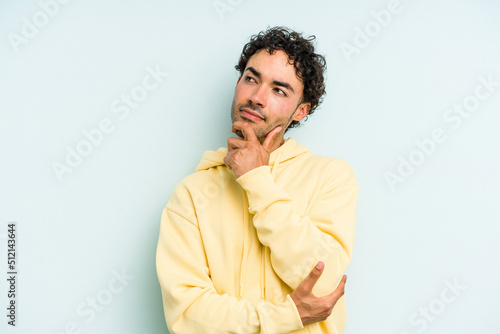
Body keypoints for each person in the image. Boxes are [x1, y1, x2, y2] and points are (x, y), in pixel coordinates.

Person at [156, 26, 358, 334]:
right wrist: (287, 316)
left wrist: (256, 180)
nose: (257, 98)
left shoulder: (331, 177)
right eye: (251, 79)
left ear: (300, 111)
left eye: (279, 90)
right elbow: (187, 316)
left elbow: (324, 282)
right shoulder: (192, 194)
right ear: (238, 83)